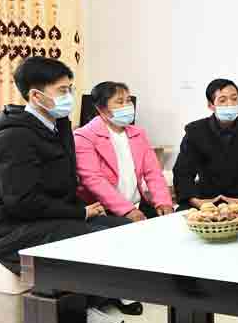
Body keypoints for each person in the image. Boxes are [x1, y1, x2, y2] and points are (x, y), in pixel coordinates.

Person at [0, 56, 130, 323]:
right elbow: (21, 202)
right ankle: (77, 311)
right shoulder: (13, 136)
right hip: (11, 227)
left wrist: (83, 209)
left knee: (122, 228)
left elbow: (63, 183)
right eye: (62, 91)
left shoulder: (58, 125)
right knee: (91, 237)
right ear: (36, 96)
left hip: (47, 215)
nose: (69, 97)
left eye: (70, 89)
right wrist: (80, 213)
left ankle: (100, 295)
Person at [74, 81, 174, 222]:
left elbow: (153, 173)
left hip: (137, 204)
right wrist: (127, 210)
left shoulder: (138, 133)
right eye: (120, 102)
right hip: (102, 210)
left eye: (128, 100)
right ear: (101, 108)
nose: (127, 106)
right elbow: (93, 179)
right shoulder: (84, 136)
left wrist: (163, 202)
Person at [173, 79, 238, 213]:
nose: (230, 104)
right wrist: (196, 201)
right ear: (210, 105)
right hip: (205, 200)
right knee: (183, 215)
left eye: (234, 99)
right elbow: (182, 172)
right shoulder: (195, 131)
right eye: (222, 100)